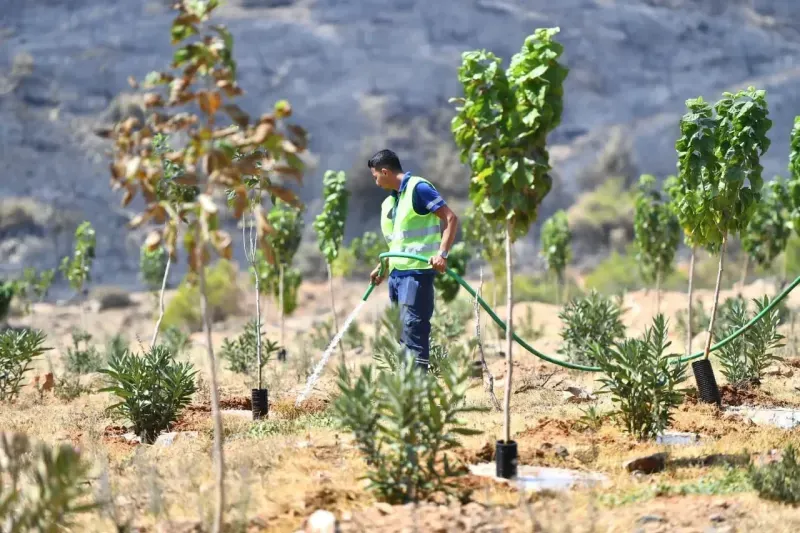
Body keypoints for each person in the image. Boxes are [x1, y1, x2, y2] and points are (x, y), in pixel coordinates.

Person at [367, 149, 459, 371]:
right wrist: (383, 265)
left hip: (416, 274)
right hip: (397, 274)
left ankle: (418, 393)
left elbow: (450, 218)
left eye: (375, 176)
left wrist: (442, 254)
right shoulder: (395, 199)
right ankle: (407, 392)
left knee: (413, 330)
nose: (375, 181)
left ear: (385, 171)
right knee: (401, 333)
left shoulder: (418, 189)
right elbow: (400, 242)